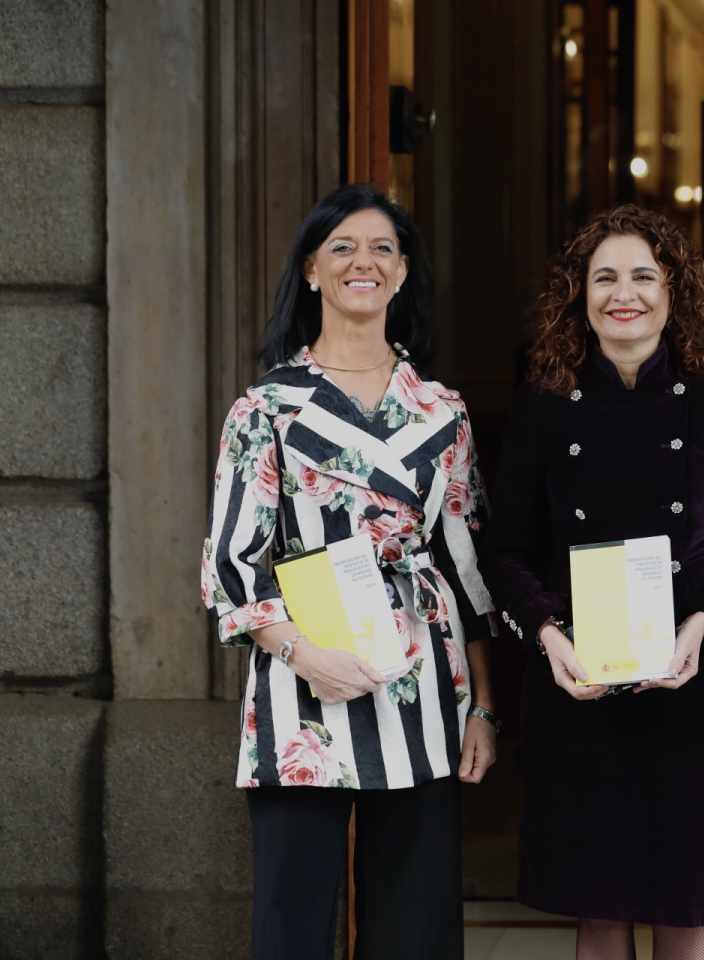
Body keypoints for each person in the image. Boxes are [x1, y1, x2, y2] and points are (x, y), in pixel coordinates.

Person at [200, 183, 499, 959]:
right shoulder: (265, 409)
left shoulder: (443, 412)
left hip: (422, 679)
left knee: (417, 925)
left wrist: (485, 707)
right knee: (293, 921)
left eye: (382, 250)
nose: (362, 263)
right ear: (311, 272)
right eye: (342, 248)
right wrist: (303, 652)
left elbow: (468, 574)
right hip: (300, 674)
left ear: (401, 275)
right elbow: (231, 564)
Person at [483, 204, 704, 960]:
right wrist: (548, 635)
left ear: (675, 290)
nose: (626, 293)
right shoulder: (544, 404)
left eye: (645, 276)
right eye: (605, 276)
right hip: (576, 682)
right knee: (598, 913)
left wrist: (703, 626)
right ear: (578, 294)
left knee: (683, 911)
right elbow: (505, 552)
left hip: (686, 684)